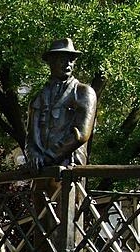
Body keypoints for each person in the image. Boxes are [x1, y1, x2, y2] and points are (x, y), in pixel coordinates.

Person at [25, 38, 97, 173]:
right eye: (63, 59)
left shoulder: (83, 92)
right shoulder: (38, 97)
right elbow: (30, 136)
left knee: (66, 194)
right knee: (38, 194)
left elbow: (81, 134)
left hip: (69, 168)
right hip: (40, 170)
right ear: (51, 61)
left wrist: (48, 157)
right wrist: (33, 155)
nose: (68, 64)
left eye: (71, 60)